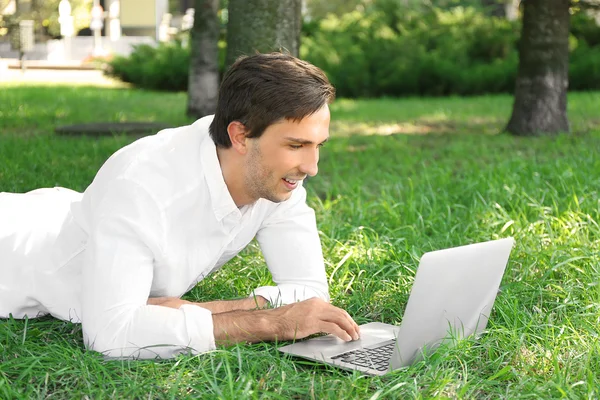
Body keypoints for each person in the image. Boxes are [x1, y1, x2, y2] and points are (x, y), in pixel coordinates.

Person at [0, 53, 360, 359]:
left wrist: (195, 311)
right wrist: (268, 322)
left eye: (318, 146)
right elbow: (109, 334)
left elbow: (308, 292)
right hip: (15, 256)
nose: (311, 167)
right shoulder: (144, 187)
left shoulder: (277, 177)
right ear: (239, 136)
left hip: (67, 214)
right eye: (296, 146)